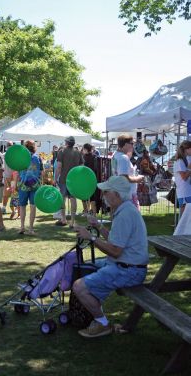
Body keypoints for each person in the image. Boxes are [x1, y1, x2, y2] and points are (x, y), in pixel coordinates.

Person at [73, 175, 149, 338]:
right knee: (87, 267)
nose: (103, 195)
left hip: (129, 270)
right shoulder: (126, 209)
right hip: (127, 266)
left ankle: (102, 323)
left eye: (106, 192)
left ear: (117, 194)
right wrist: (98, 226)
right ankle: (93, 310)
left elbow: (115, 251)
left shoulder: (125, 215)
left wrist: (91, 237)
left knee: (79, 286)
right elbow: (116, 241)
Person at [54, 136, 83, 228]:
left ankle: (63, 220)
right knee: (73, 199)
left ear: (66, 143)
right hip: (74, 180)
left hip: (63, 179)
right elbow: (81, 166)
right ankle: (73, 221)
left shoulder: (62, 151)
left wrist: (55, 178)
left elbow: (59, 166)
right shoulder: (78, 152)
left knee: (62, 199)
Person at [111, 134, 144, 209]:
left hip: (120, 193)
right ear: (125, 144)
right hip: (128, 195)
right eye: (132, 143)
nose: (133, 146)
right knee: (132, 218)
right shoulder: (123, 158)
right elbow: (124, 178)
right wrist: (138, 178)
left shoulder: (115, 155)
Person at [17, 140, 41, 235]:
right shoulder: (37, 158)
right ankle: (31, 229)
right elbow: (40, 172)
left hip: (23, 184)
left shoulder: (21, 157)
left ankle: (22, 227)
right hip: (34, 184)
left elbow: (18, 171)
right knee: (33, 206)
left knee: (22, 206)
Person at [173, 140, 191, 214]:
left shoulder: (188, 158)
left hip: (188, 191)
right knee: (184, 217)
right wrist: (189, 168)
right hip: (184, 192)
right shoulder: (179, 161)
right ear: (187, 149)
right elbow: (184, 177)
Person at [82, 143, 97, 216]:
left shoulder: (84, 157)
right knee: (92, 196)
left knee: (85, 195)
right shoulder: (95, 157)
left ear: (85, 149)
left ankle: (86, 211)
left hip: (85, 178)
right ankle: (93, 213)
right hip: (93, 178)